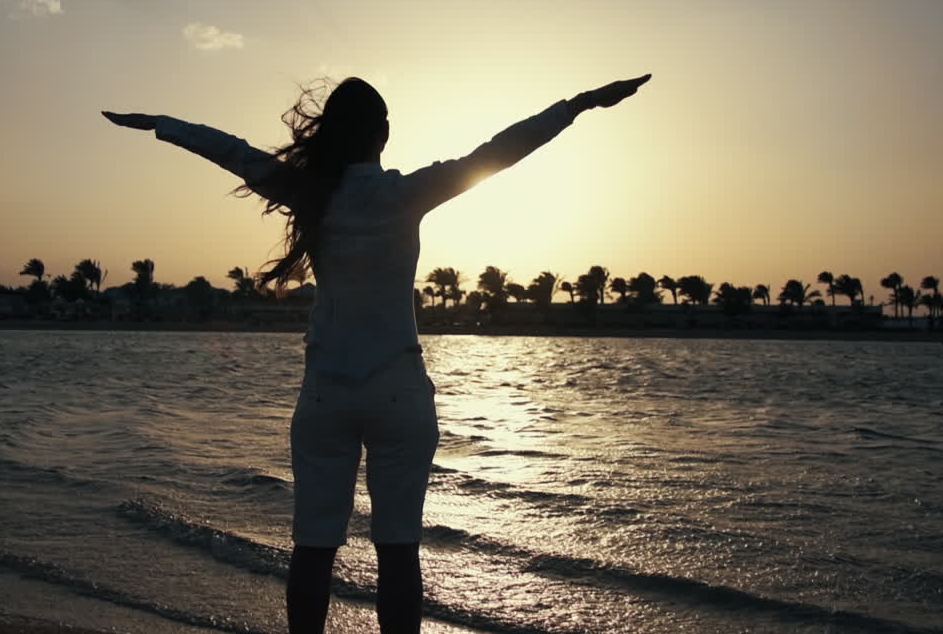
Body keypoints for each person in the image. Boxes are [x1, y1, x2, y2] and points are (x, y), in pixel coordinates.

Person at [102, 72, 650, 634]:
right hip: (399, 391)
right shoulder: (407, 193)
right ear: (383, 134)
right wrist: (578, 105)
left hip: (325, 394)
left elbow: (229, 151)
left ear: (331, 134)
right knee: (398, 549)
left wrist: (159, 125)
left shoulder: (307, 192)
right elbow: (501, 151)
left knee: (313, 547)